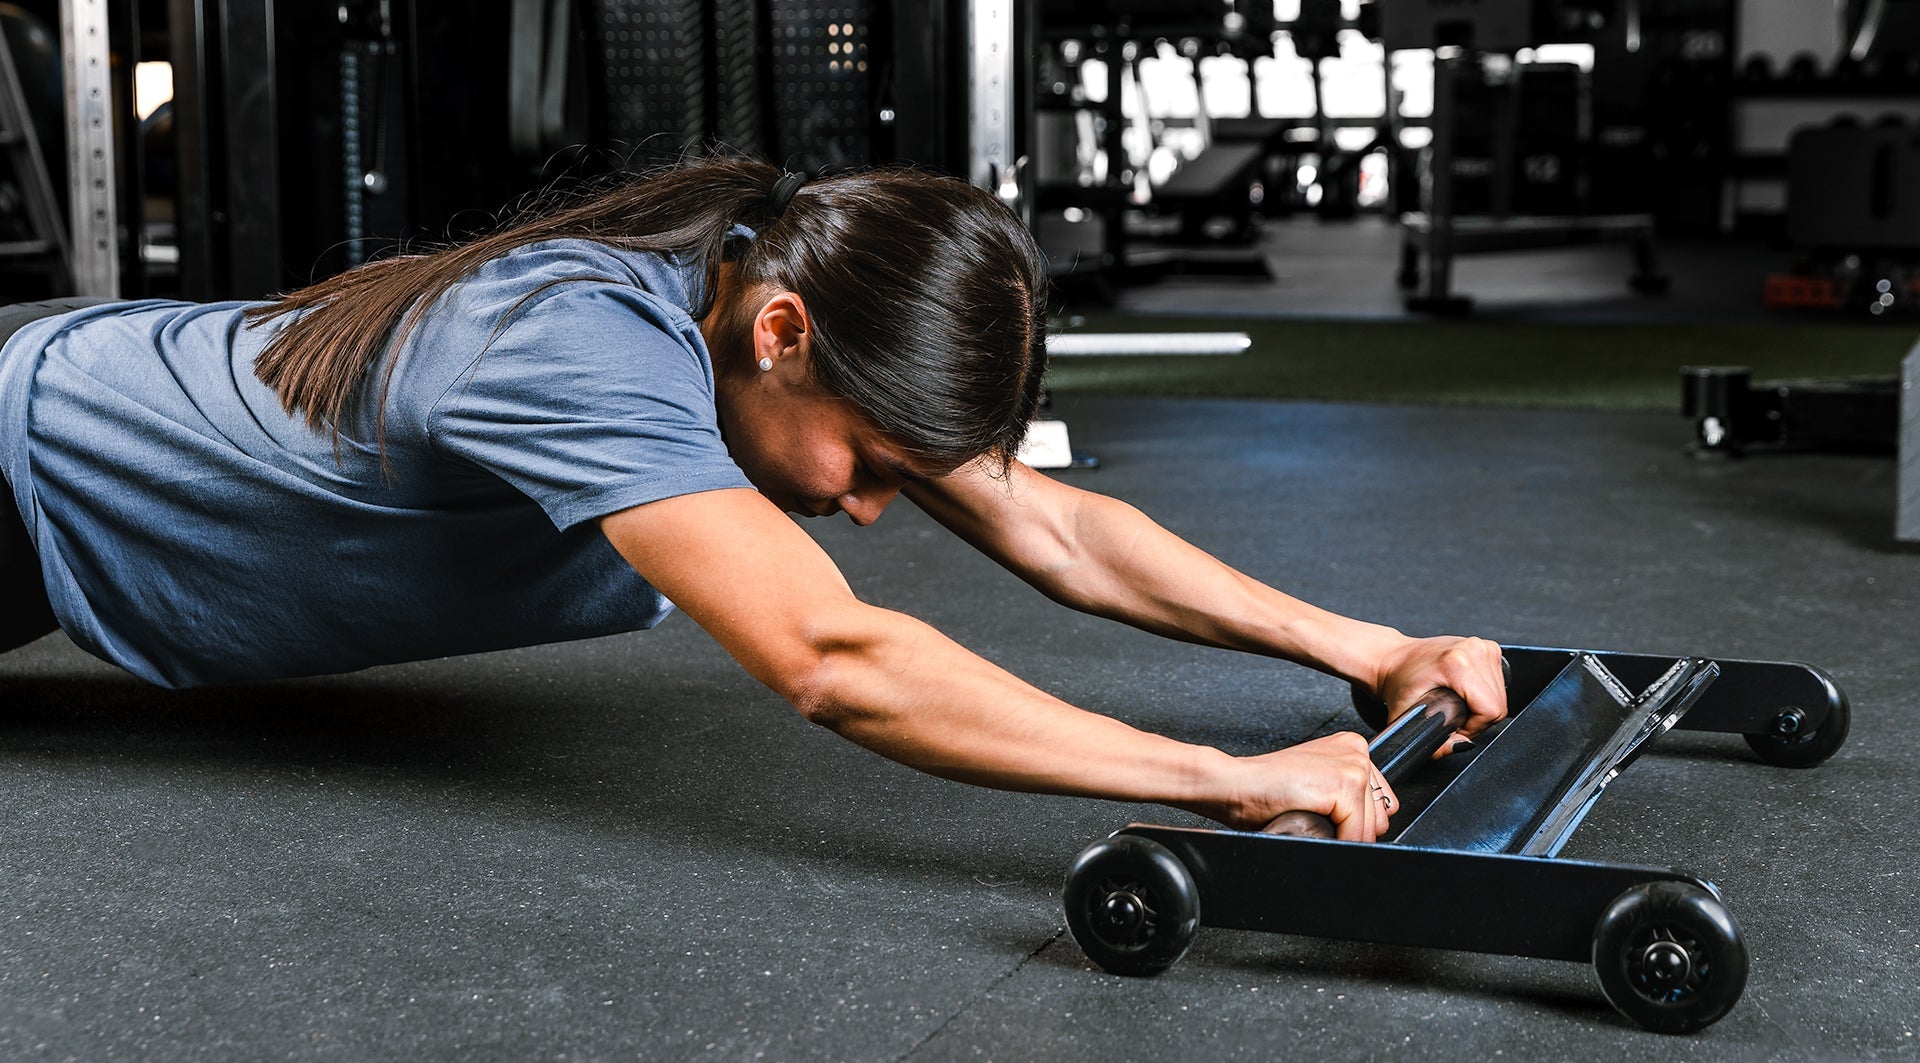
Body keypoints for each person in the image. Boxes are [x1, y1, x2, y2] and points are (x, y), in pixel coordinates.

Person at [0, 156, 1505, 841]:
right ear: (779, 331)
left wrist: (1366, 650)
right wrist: (1221, 777)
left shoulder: (763, 314)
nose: (869, 512)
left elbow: (1049, 521)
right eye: (871, 467)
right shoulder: (583, 352)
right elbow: (837, 665)